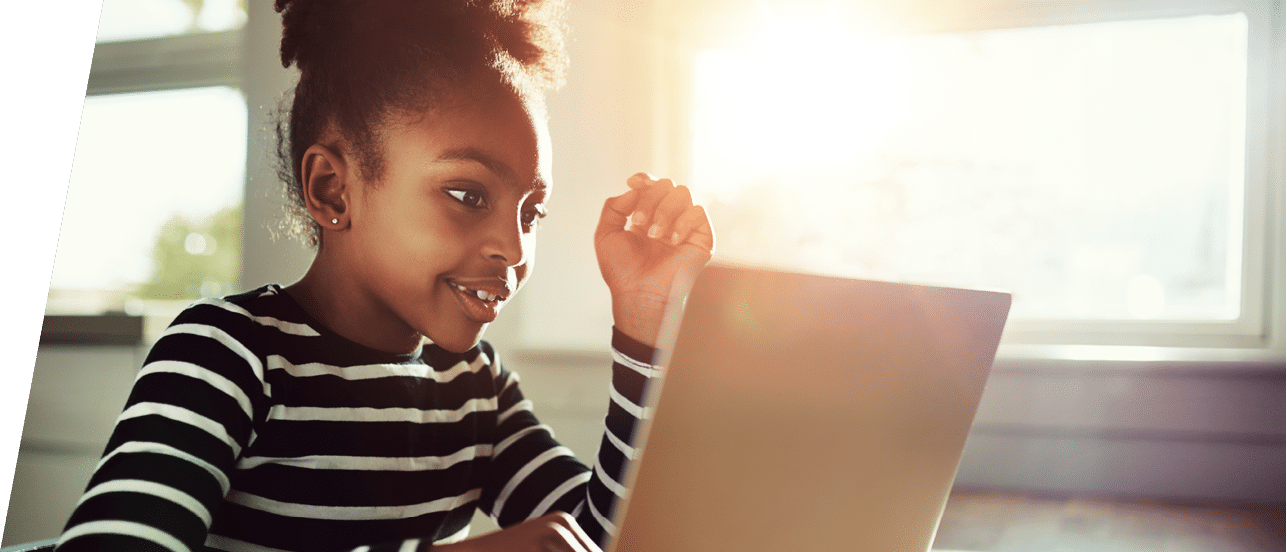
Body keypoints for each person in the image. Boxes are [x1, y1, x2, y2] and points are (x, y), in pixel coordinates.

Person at [53, 1, 713, 551]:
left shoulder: (475, 391)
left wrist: (644, 328)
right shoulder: (226, 355)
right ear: (333, 190)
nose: (513, 248)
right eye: (466, 194)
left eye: (531, 211)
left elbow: (610, 539)